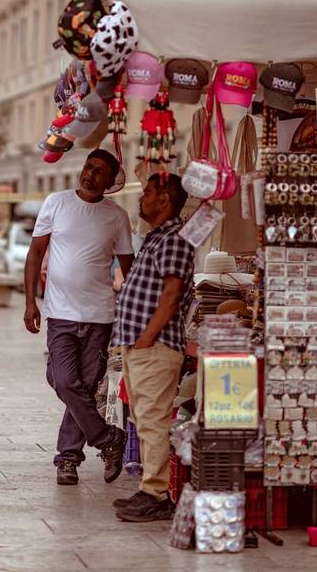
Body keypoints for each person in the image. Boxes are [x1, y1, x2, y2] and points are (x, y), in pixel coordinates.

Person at [24, 150, 135, 486]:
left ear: (110, 181)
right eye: (88, 167)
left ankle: (68, 458)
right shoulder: (56, 202)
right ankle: (107, 439)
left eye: (100, 171)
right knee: (63, 381)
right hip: (59, 313)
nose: (90, 175)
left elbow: (129, 269)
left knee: (82, 388)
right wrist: (31, 302)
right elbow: (35, 254)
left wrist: (129, 311)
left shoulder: (116, 217)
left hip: (100, 315)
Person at [110, 173, 195, 522]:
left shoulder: (174, 238)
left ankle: (157, 494)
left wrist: (146, 337)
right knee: (144, 420)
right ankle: (150, 487)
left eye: (147, 192)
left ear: (164, 200)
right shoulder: (156, 237)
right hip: (141, 344)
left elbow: (172, 295)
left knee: (154, 421)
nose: (141, 198)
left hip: (155, 345)